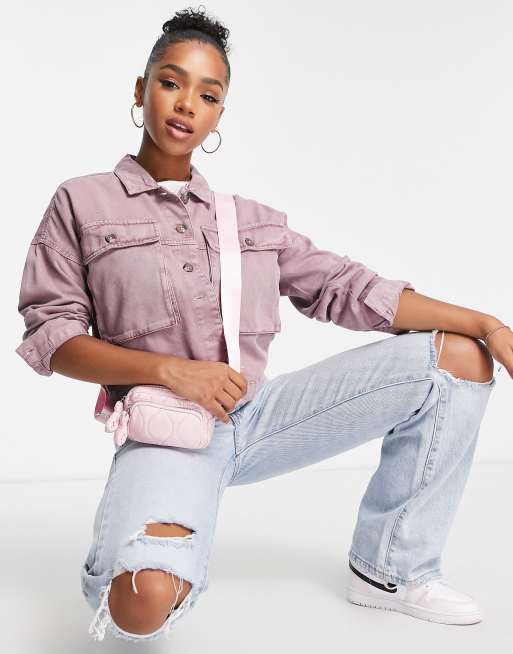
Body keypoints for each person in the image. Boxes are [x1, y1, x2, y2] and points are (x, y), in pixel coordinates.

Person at [14, 4, 512, 644]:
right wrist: (169, 371)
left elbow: (348, 289)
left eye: (208, 94)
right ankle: (152, 545)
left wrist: (486, 322)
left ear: (220, 114)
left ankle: (390, 571)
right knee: (140, 603)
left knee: (458, 358)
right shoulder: (81, 201)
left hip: (260, 417)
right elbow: (54, 338)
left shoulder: (248, 220)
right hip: (168, 433)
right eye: (170, 82)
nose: (186, 104)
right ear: (140, 91)